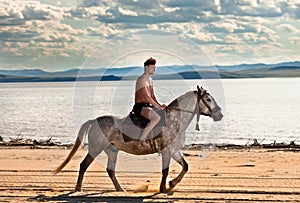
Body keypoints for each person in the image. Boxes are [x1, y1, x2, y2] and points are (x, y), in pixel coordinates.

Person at [132, 57, 166, 149]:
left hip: (148, 106)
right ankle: (141, 140)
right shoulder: (141, 79)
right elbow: (146, 96)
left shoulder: (150, 80)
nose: (154, 69)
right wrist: (156, 106)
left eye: (155, 67)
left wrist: (159, 105)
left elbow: (152, 96)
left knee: (164, 114)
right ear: (146, 67)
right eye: (152, 67)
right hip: (140, 107)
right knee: (156, 118)